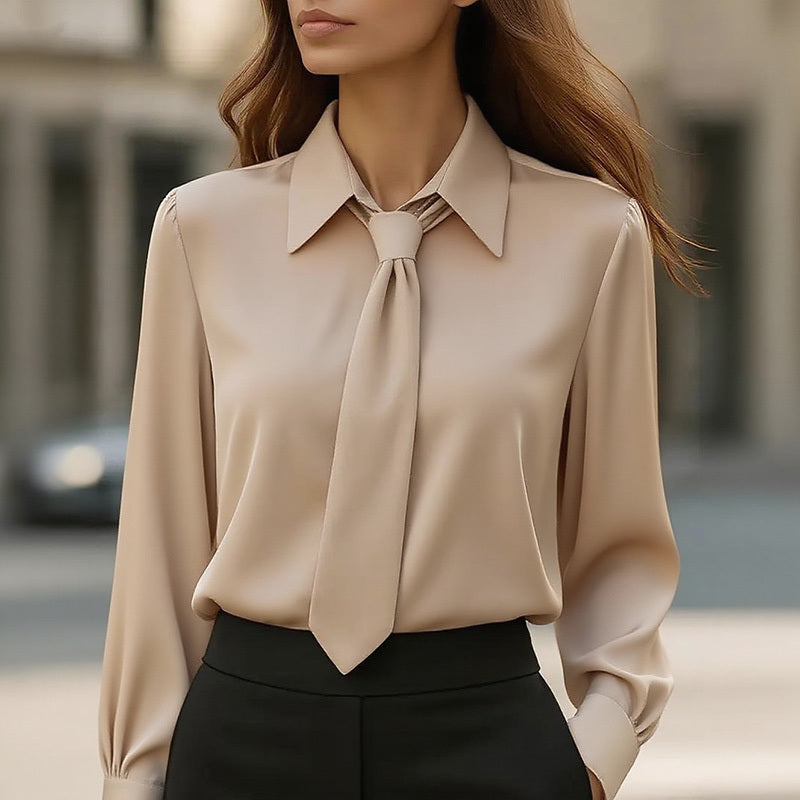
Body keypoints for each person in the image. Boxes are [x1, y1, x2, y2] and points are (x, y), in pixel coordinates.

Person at [98, 1, 706, 799]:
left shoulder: (592, 237)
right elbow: (160, 552)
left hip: (489, 745)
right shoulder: (203, 229)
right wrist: (133, 779)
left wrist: (592, 758)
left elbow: (618, 544)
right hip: (239, 747)